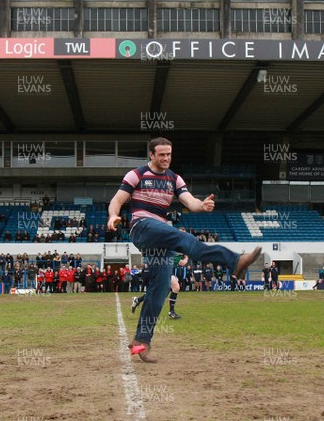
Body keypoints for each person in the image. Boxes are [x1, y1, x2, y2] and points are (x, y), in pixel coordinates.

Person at [108, 137, 261, 363]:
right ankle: (234, 262)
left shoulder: (174, 179)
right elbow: (117, 199)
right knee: (184, 237)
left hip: (162, 239)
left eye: (169, 154)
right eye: (162, 154)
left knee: (159, 292)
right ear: (151, 154)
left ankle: (141, 342)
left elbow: (191, 203)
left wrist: (203, 205)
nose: (166, 158)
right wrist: (113, 215)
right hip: (143, 228)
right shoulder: (136, 175)